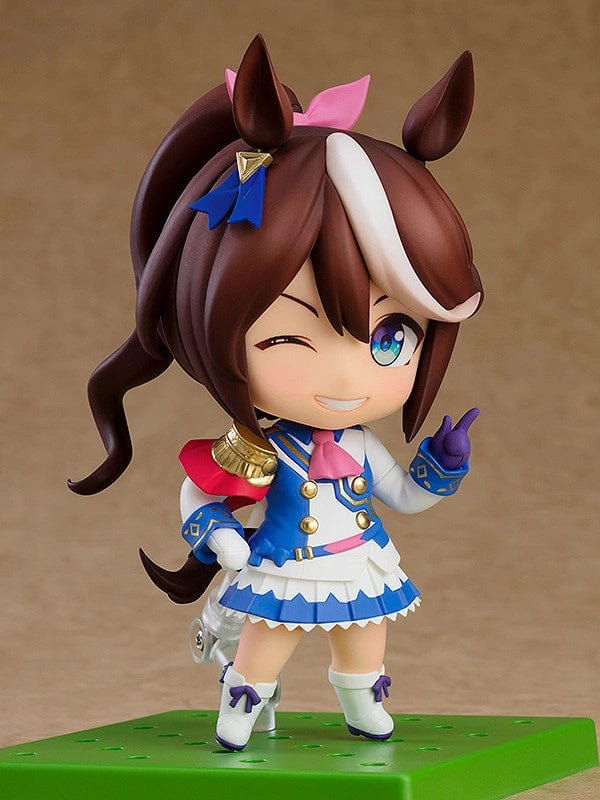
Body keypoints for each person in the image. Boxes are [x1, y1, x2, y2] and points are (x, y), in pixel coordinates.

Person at [70, 35, 483, 751]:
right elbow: (199, 494)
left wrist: (441, 465)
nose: (348, 375)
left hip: (359, 563)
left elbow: (406, 497)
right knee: (268, 642)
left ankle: (363, 702)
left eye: (390, 338)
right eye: (288, 338)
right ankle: (241, 704)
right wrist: (221, 536)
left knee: (366, 639)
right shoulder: (258, 447)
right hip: (283, 569)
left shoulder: (359, 445)